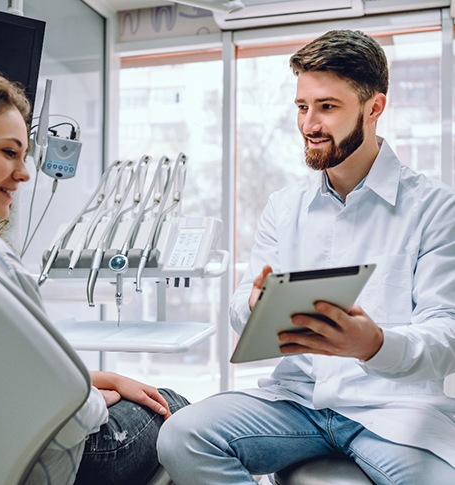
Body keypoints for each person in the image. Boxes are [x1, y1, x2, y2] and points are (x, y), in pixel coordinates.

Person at [156, 29, 455, 484]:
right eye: (302, 107)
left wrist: (372, 345)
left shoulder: (435, 208)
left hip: (393, 408)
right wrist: (257, 306)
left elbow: (445, 337)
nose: (309, 124)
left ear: (374, 108)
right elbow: (241, 306)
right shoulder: (284, 206)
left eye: (327, 107)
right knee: (181, 437)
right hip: (299, 402)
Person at [0, 67, 189, 485]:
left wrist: (96, 379)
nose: (24, 172)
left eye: (25, 156)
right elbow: (73, 414)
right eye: (8, 152)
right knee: (174, 406)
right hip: (52, 459)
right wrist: (93, 397)